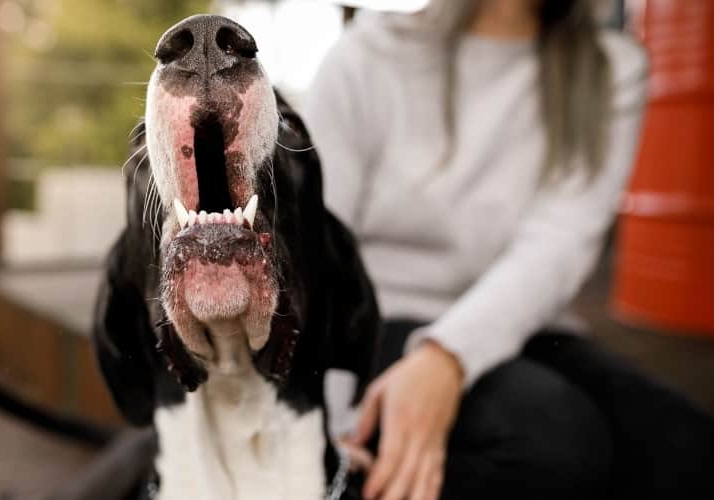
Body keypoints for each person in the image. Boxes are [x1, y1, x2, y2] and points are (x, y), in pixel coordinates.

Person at [304, 1, 714, 500]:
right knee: (555, 445)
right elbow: (317, 245)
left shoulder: (611, 67)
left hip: (521, 324)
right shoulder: (369, 53)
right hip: (373, 319)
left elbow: (557, 243)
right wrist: (325, 422)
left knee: (685, 445)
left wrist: (446, 357)